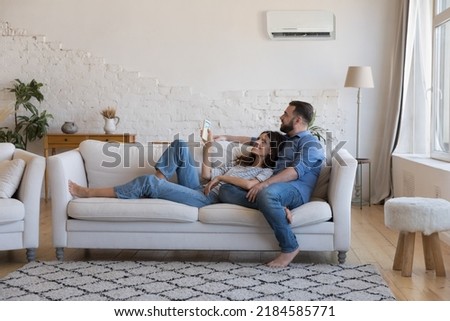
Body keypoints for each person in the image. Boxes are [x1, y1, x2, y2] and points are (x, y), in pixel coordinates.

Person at [216, 101, 325, 268]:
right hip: (276, 189)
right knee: (225, 190)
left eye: (286, 114)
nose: (281, 117)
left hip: (296, 190)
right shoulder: (284, 140)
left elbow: (295, 171)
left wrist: (263, 184)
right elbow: (254, 140)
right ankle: (276, 207)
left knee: (267, 193)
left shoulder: (311, 143)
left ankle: (290, 247)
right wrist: (226, 137)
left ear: (297, 120)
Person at [68, 130, 285, 209]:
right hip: (201, 188)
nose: (258, 143)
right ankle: (157, 183)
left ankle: (88, 192)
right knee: (181, 144)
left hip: (210, 199)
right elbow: (206, 176)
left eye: (264, 142)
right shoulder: (241, 162)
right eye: (259, 140)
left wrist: (223, 179)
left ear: (271, 151)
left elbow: (249, 185)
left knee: (147, 183)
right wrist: (208, 148)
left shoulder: (266, 173)